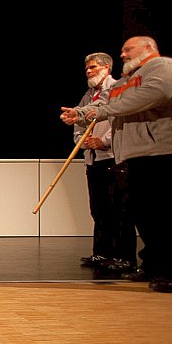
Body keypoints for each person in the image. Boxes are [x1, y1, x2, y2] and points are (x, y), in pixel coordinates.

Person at [62, 36, 172, 293]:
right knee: (145, 216)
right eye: (122, 50)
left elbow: (150, 96)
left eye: (128, 49)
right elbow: (105, 102)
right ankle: (154, 264)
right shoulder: (125, 81)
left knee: (170, 215)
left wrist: (101, 111)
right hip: (137, 155)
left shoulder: (163, 67)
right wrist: (81, 113)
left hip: (167, 152)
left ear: (149, 48)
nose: (122, 54)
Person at [63, 52, 137, 274]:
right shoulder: (88, 96)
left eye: (93, 67)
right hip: (93, 159)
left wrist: (103, 141)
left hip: (115, 157)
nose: (88, 71)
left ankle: (125, 257)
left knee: (120, 211)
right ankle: (102, 253)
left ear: (106, 67)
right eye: (87, 68)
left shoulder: (117, 89)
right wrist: (82, 140)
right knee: (99, 209)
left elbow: (122, 123)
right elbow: (79, 121)